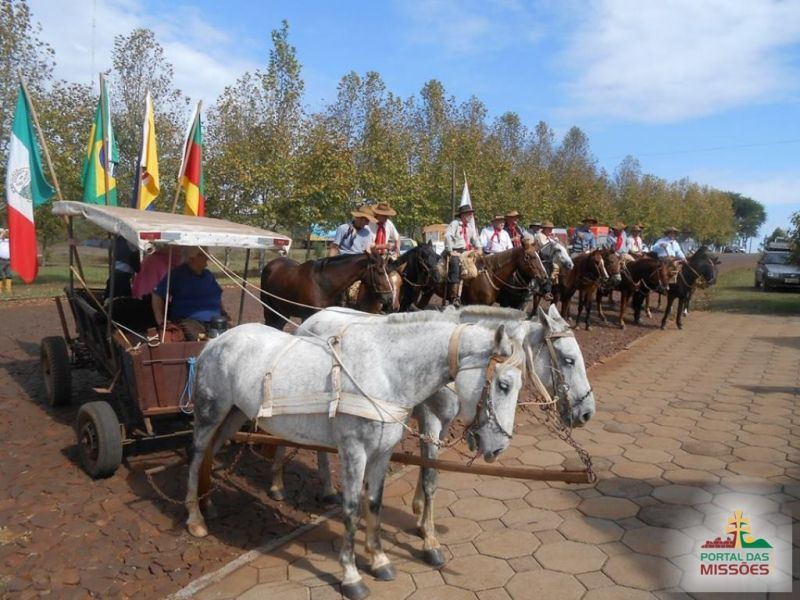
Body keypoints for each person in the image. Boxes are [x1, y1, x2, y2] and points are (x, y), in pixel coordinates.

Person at [151, 246, 229, 340]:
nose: (207, 257)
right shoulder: (177, 274)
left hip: (216, 320)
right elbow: (157, 295)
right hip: (188, 320)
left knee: (234, 338)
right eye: (201, 255)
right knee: (201, 341)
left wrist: (224, 313)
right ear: (191, 258)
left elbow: (217, 295)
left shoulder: (208, 275)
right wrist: (161, 321)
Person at [444, 205, 481, 305]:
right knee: (455, 265)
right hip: (456, 251)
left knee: (481, 263)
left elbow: (475, 239)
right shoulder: (455, 224)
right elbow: (447, 236)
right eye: (469, 214)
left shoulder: (470, 227)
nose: (471, 216)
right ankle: (454, 296)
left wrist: (479, 248)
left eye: (471, 214)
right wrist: (450, 251)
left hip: (467, 252)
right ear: (462, 215)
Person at [104, 235, 140, 300]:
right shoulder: (130, 241)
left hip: (116, 273)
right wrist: (139, 269)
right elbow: (133, 259)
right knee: (123, 299)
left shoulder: (118, 241)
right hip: (123, 276)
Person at [0, 229, 11, 295]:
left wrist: (9, 231)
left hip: (8, 260)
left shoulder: (8, 240)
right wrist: (5, 231)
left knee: (9, 275)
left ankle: (8, 290)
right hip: (1, 260)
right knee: (0, 275)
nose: (4, 234)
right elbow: (1, 236)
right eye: (1, 232)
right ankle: (0, 290)